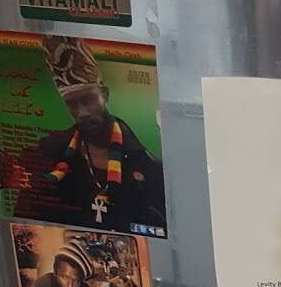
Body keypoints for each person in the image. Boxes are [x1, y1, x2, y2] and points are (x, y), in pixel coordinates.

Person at [10, 36, 166, 234]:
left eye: (88, 100)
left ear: (105, 94)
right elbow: (25, 222)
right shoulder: (49, 153)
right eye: (72, 104)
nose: (82, 112)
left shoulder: (148, 166)